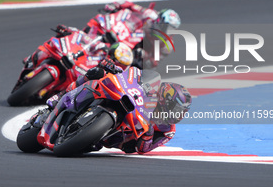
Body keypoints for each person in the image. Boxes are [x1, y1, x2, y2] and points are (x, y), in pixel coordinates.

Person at [42, 58, 191, 155]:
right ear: (166, 97)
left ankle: (81, 135)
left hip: (119, 137)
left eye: (181, 112)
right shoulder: (151, 89)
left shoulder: (167, 130)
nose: (177, 114)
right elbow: (133, 76)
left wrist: (148, 134)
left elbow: (143, 150)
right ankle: (61, 96)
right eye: (177, 109)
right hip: (121, 99)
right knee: (97, 74)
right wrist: (115, 69)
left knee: (91, 148)